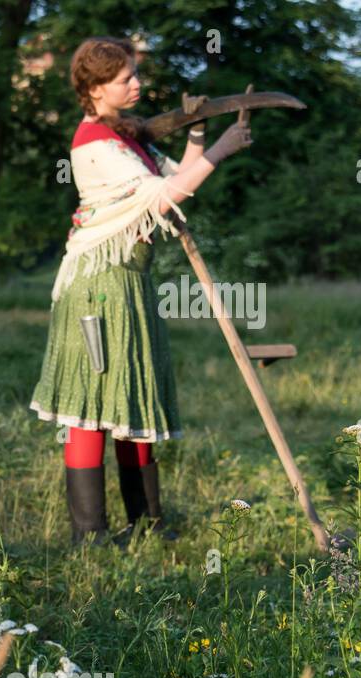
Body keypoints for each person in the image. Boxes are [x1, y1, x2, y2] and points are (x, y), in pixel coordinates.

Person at [28, 36, 252, 545]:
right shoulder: (94, 143)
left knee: (132, 395)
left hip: (129, 280)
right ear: (95, 88)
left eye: (135, 74)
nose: (137, 84)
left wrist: (197, 135)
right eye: (126, 78)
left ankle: (147, 525)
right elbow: (164, 196)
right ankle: (91, 536)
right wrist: (222, 147)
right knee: (91, 403)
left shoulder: (125, 136)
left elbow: (178, 178)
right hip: (95, 285)